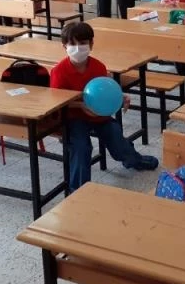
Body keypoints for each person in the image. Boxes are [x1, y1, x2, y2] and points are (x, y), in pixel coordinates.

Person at [50, 22, 158, 191]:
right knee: (81, 147)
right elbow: (57, 101)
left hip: (99, 115)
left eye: (83, 43)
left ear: (91, 44)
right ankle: (78, 190)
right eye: (72, 44)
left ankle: (134, 160)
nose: (78, 48)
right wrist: (80, 105)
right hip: (74, 118)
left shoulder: (98, 66)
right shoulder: (59, 71)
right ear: (64, 46)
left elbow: (106, 90)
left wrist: (120, 96)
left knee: (115, 136)